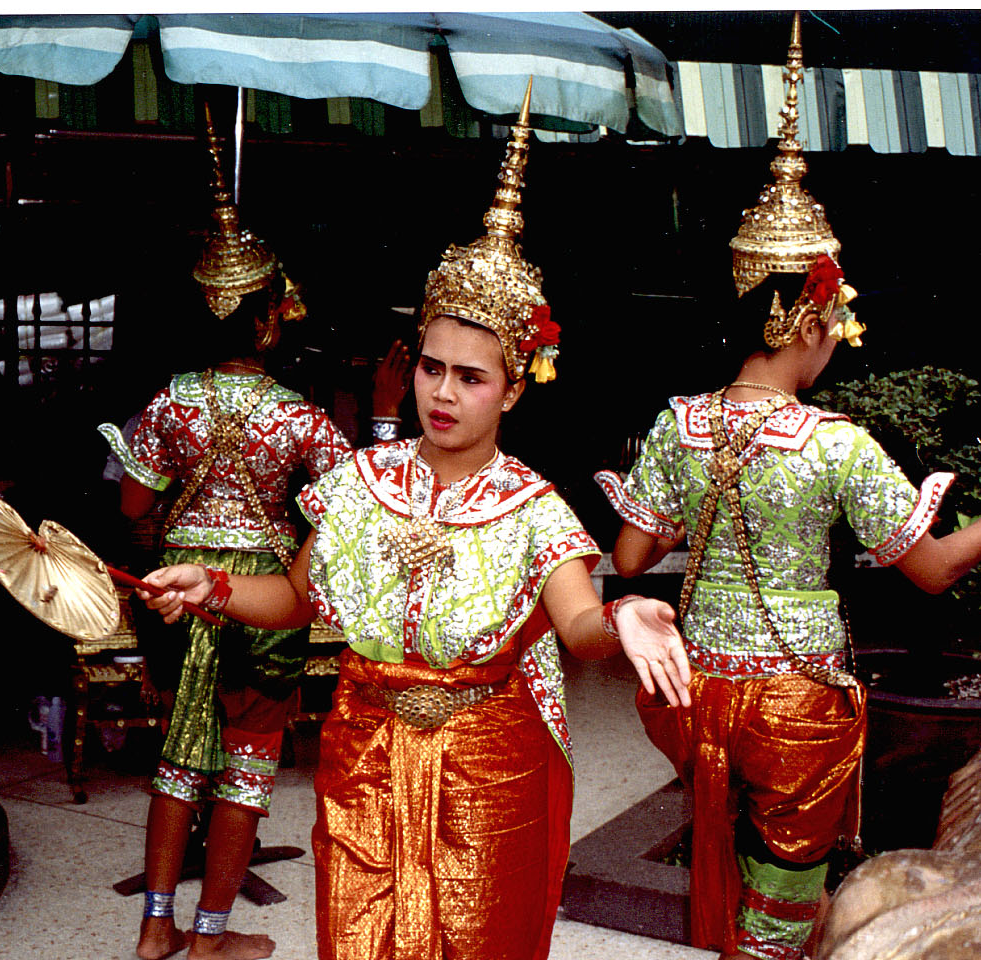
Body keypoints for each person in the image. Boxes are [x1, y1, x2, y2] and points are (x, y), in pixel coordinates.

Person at [139, 83, 694, 960]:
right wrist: (210, 584)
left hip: (487, 764)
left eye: (470, 377)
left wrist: (626, 613)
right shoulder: (360, 481)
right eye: (432, 367)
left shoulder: (532, 504)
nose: (441, 391)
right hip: (364, 748)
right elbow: (294, 596)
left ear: (515, 386)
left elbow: (578, 624)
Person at [593, 17, 981, 960]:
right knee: (784, 897)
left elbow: (632, 558)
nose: (840, 337)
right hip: (796, 700)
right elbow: (930, 573)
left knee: (723, 861)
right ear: (807, 318)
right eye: (837, 317)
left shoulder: (682, 422)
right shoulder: (836, 444)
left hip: (696, 695)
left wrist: (701, 509)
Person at [99, 106, 405, 960]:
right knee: (244, 764)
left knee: (175, 759)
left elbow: (130, 509)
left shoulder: (170, 402)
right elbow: (353, 502)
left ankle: (155, 925)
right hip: (266, 598)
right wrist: (383, 418)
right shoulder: (300, 418)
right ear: (270, 318)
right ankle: (210, 938)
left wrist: (178, 526)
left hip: (177, 593)